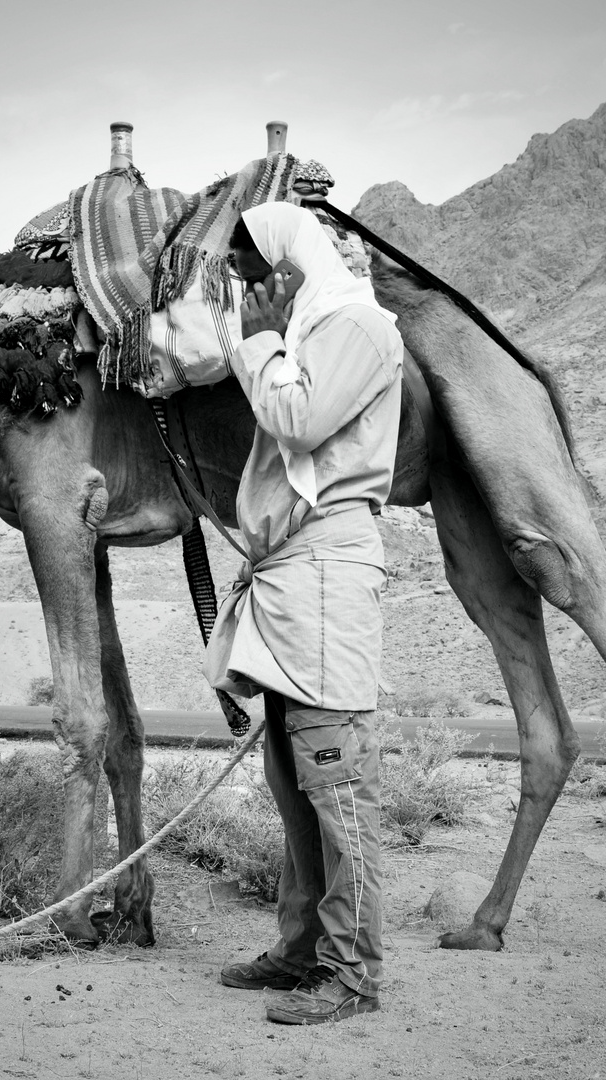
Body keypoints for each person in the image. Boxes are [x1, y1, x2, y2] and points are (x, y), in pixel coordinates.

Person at [204, 201, 403, 1025]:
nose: (248, 287)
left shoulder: (354, 329)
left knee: (334, 787)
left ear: (289, 265)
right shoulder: (310, 339)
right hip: (293, 580)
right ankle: (299, 949)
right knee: (292, 784)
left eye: (254, 270)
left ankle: (353, 974)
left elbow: (298, 418)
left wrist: (251, 336)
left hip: (323, 577)